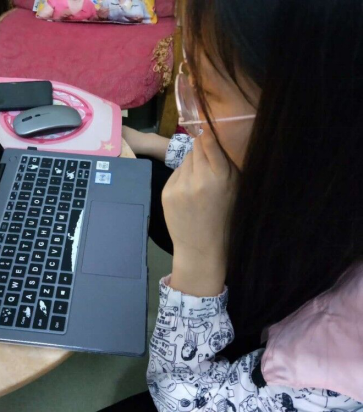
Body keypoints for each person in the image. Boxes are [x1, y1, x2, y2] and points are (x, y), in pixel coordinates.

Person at [104, 0, 362, 410]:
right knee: (147, 177)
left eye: (207, 91)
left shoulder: (333, 364)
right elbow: (239, 145)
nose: (191, 99)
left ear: (310, 120)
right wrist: (151, 143)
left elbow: (180, 397)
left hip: (239, 380)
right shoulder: (334, 170)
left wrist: (197, 258)